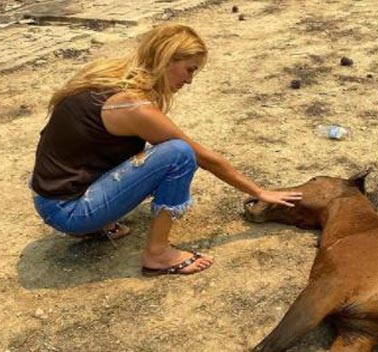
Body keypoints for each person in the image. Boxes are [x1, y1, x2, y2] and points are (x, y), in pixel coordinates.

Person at [30, 23, 302, 276]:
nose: (189, 81)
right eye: (190, 69)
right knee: (179, 154)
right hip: (69, 211)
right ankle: (157, 253)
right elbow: (203, 157)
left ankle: (95, 223)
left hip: (49, 198)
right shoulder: (131, 107)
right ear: (166, 60)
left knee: (160, 150)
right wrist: (259, 191)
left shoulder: (108, 77)